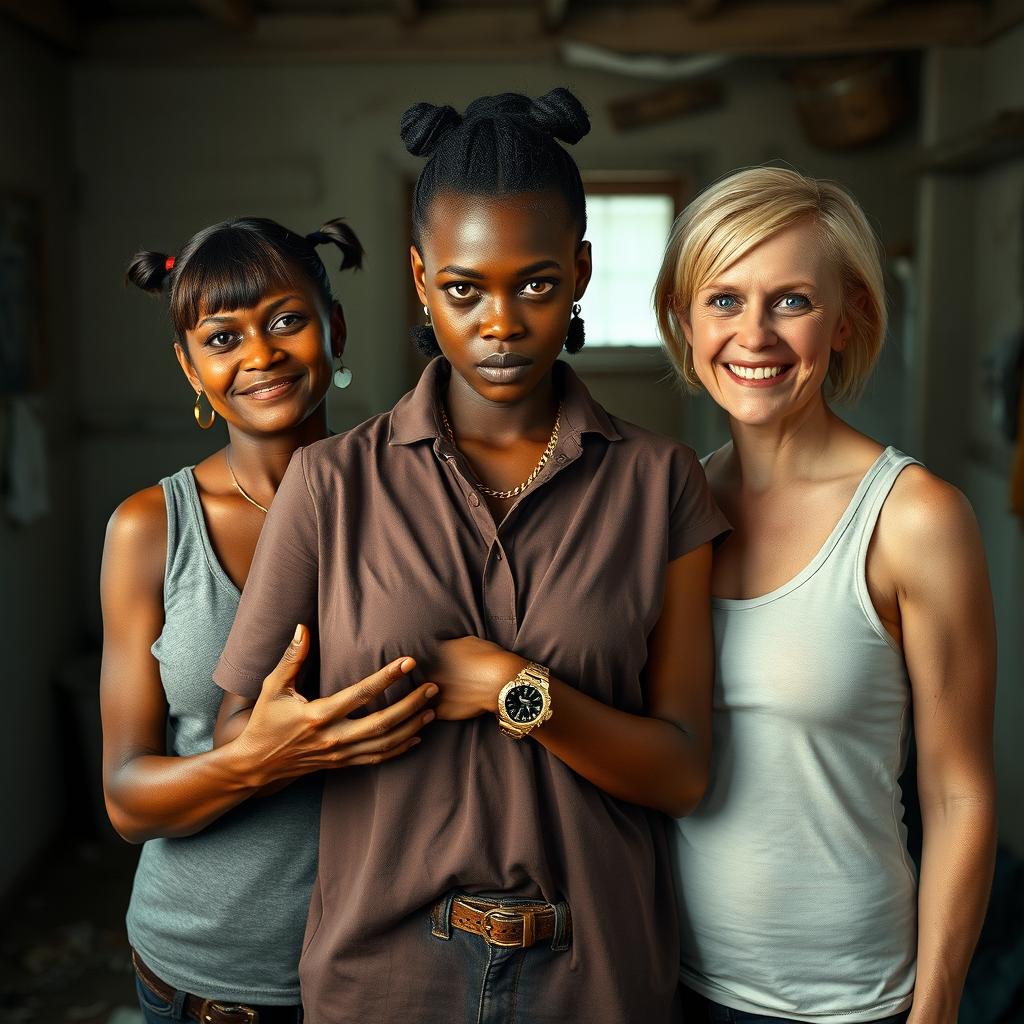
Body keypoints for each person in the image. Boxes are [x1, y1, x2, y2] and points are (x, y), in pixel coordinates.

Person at [211, 89, 729, 1024]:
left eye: (534, 283)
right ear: (419, 278)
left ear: (578, 271)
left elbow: (684, 773)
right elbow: (238, 738)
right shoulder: (331, 484)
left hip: (599, 979)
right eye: (464, 288)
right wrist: (318, 731)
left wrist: (512, 691)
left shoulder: (662, 481)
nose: (500, 321)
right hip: (382, 979)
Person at [654, 166, 997, 1024]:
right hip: (666, 979)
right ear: (685, 321)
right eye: (724, 300)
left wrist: (938, 1008)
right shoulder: (671, 507)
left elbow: (960, 793)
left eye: (793, 301)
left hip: (848, 1004)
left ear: (848, 320)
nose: (754, 335)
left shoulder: (915, 518)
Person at [100, 216, 438, 1023]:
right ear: (190, 369)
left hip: (392, 966)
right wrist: (258, 760)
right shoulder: (150, 528)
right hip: (211, 978)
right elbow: (126, 798)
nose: (260, 355)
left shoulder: (417, 496)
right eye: (223, 338)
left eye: (285, 320)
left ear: (335, 327)